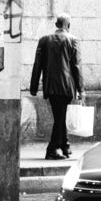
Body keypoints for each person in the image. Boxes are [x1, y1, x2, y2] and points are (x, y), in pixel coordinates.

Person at [30, 16, 83, 159]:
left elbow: (37, 65)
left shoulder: (44, 40)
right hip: (66, 87)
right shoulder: (73, 40)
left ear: (56, 24)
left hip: (50, 86)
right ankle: (52, 149)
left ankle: (65, 146)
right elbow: (76, 67)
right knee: (60, 117)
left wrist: (33, 87)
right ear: (68, 25)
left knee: (60, 116)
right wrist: (80, 89)